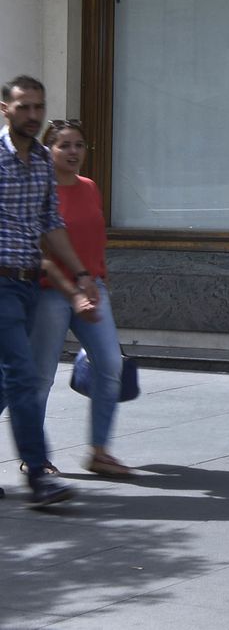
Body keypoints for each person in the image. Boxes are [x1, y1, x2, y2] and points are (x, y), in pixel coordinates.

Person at [0, 76, 98, 508]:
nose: (33, 115)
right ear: (5, 108)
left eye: (38, 107)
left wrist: (79, 274)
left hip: (25, 286)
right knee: (22, 374)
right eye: (23, 107)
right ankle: (39, 476)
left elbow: (50, 226)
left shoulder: (41, 161)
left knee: (5, 383)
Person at [30, 118, 130, 476]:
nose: (73, 152)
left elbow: (94, 239)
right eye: (64, 145)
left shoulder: (89, 187)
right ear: (48, 150)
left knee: (110, 364)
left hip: (92, 287)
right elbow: (39, 250)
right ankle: (35, 457)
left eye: (79, 145)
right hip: (50, 292)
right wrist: (74, 288)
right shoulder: (39, 192)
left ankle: (99, 452)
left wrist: (99, 278)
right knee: (41, 377)